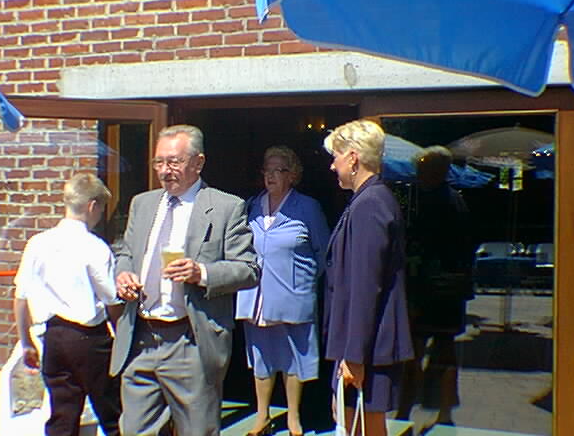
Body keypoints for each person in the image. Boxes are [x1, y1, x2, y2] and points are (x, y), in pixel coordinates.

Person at [111, 124, 260, 436]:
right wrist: (122, 273)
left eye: (174, 162)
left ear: (198, 162)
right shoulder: (142, 203)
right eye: (159, 162)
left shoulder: (225, 207)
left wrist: (201, 273)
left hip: (190, 341)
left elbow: (248, 269)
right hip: (140, 338)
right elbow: (126, 252)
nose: (165, 171)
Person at [322, 120, 413, 436]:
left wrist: (354, 356)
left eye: (335, 156)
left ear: (353, 157)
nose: (332, 166)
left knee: (361, 426)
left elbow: (365, 285)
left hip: (367, 347)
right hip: (365, 344)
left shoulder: (370, 203)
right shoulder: (369, 199)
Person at [13, 172, 121, 436]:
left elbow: (21, 297)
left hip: (54, 337)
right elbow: (111, 299)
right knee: (112, 412)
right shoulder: (95, 247)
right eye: (101, 209)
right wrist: (122, 337)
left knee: (62, 415)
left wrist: (26, 342)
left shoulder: (38, 243)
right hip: (89, 338)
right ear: (92, 206)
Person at [236, 146, 330, 436]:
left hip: (293, 296)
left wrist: (303, 281)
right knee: (261, 357)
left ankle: (293, 417)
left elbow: (324, 253)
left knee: (292, 358)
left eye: (279, 170)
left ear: (293, 175)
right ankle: (262, 416)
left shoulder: (307, 207)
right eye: (267, 169)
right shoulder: (251, 206)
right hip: (256, 298)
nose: (271, 175)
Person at [396, 146, 473, 435]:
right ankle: (443, 412)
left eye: (423, 167)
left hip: (429, 289)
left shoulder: (431, 202)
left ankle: (406, 411)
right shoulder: (455, 200)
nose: (419, 173)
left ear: (434, 171)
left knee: (416, 354)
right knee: (443, 354)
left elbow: (420, 247)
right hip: (447, 290)